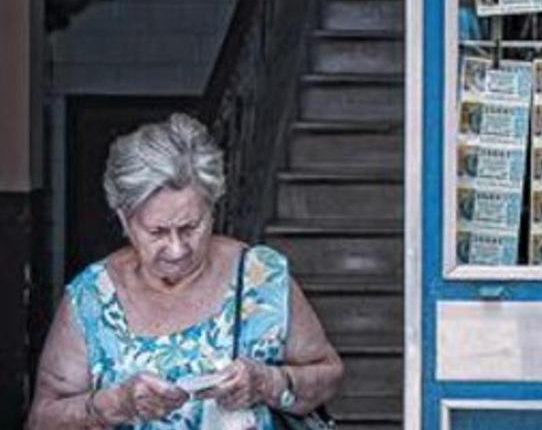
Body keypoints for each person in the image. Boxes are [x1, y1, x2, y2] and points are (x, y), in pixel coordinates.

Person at [26, 114, 343, 429]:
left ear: (212, 206)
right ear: (124, 218)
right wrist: (117, 403)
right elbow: (42, 420)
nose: (177, 249)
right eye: (158, 232)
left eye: (191, 227)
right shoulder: (91, 298)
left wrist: (268, 383)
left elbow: (327, 375)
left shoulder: (261, 278)